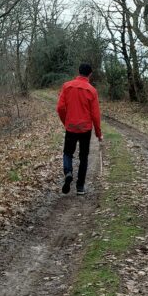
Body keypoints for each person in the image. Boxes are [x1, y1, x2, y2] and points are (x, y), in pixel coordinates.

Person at [56, 63, 103, 196]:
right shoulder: (92, 90)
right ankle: (80, 187)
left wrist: (66, 121)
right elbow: (95, 115)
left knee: (67, 153)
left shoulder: (66, 86)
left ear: (78, 71)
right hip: (85, 129)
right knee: (83, 157)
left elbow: (60, 108)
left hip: (71, 127)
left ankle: (69, 172)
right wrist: (99, 134)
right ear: (90, 74)